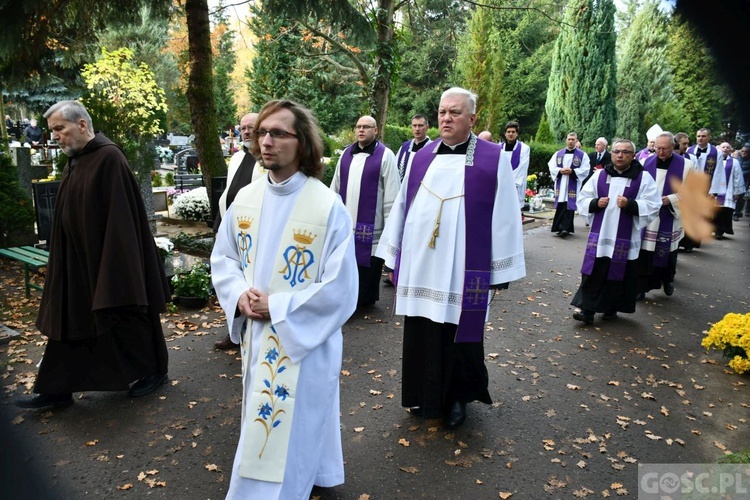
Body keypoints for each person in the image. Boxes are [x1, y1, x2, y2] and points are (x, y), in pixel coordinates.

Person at [211, 99, 357, 499]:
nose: (266, 141)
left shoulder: (327, 206)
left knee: (301, 415)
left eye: (278, 133)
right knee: (275, 418)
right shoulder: (246, 199)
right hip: (258, 337)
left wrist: (276, 306)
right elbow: (224, 257)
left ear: (303, 142)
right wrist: (239, 294)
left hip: (304, 335)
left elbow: (341, 287)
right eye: (262, 132)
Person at [375, 87, 525, 429]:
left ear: (471, 118)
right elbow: (403, 206)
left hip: (462, 266)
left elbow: (505, 213)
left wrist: (500, 269)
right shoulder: (421, 156)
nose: (446, 118)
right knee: (422, 331)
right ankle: (421, 395)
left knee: (459, 334)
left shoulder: (492, 158)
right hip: (423, 264)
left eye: (455, 112)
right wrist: (392, 254)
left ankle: (458, 398)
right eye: (442, 112)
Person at [16, 101, 170, 410]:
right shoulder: (76, 159)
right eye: (52, 131)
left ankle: (153, 371)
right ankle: (57, 387)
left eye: (60, 129)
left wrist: (116, 264)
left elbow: (122, 217)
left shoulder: (108, 158)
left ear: (82, 125)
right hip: (76, 259)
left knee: (125, 312)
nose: (55, 137)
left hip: (110, 258)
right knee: (70, 319)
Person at [571, 139, 660, 325]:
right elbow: (583, 198)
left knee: (619, 275)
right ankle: (586, 311)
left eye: (625, 152)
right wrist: (595, 203)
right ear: (611, 154)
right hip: (601, 237)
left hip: (625, 240)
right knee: (593, 272)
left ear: (633, 156)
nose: (620, 155)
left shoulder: (642, 178)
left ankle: (611, 308)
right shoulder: (600, 175)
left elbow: (653, 205)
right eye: (617, 151)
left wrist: (631, 205)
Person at [330, 115, 400, 307]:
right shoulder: (345, 154)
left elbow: (392, 194)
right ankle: (345, 299)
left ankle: (364, 300)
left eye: (366, 127)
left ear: (375, 130)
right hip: (346, 223)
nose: (361, 130)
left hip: (373, 226)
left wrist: (390, 229)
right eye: (358, 126)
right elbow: (335, 188)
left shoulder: (386, 156)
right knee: (345, 263)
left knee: (367, 266)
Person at [213, 112, 259, 350]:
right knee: (232, 281)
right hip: (233, 230)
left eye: (252, 127)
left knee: (250, 284)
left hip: (254, 233)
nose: (247, 131)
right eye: (243, 128)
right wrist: (219, 224)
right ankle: (233, 332)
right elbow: (228, 195)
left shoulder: (264, 160)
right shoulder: (238, 157)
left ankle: (250, 335)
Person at [636, 132, 693, 300]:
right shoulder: (645, 162)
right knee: (645, 253)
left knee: (668, 252)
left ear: (673, 147)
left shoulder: (686, 165)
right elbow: (637, 186)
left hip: (670, 214)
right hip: (649, 217)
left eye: (665, 148)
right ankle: (642, 287)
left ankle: (668, 279)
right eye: (657, 148)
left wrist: (671, 199)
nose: (660, 152)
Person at [547, 132, 590, 236]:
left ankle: (565, 228)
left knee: (569, 205)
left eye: (573, 139)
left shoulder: (582, 155)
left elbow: (585, 169)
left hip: (572, 183)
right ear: (566, 140)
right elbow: (551, 165)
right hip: (561, 183)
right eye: (569, 139)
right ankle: (559, 227)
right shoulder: (558, 154)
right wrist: (560, 170)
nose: (571, 141)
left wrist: (573, 172)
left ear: (576, 141)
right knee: (561, 204)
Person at [710, 142, 746, 238]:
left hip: (728, 192)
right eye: (723, 147)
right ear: (719, 149)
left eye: (727, 147)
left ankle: (720, 231)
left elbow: (737, 177)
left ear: (730, 150)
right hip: (714, 191)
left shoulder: (734, 162)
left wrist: (737, 192)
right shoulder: (713, 160)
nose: (725, 149)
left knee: (724, 212)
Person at [499, 121, 531, 208]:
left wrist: (509, 180)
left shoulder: (524, 148)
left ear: (517, 134)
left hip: (516, 185)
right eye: (508, 132)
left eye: (513, 132)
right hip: (501, 185)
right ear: (505, 134)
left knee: (514, 209)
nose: (510, 134)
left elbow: (523, 167)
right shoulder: (498, 148)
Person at [395, 114, 431, 181]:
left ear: (427, 127)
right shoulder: (404, 147)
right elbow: (395, 170)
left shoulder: (433, 148)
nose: (417, 129)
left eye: (420, 125)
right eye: (414, 126)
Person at [732, 144, 750, 221]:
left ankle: (737, 213)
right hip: (734, 181)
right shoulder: (737, 159)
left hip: (745, 182)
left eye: (746, 151)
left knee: (741, 199)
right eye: (742, 151)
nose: (743, 153)